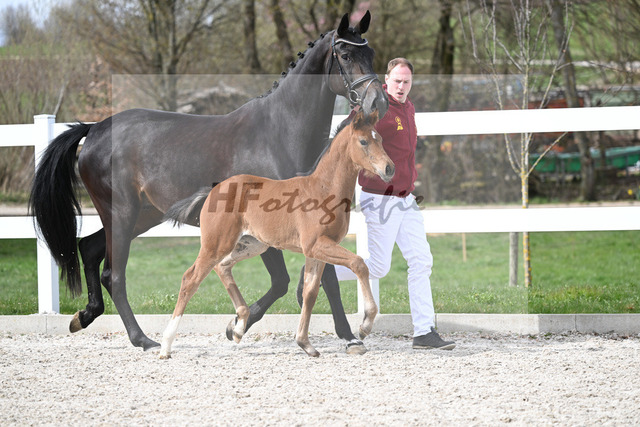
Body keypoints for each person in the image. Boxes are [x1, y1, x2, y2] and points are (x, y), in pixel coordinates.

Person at [302, 58, 455, 350]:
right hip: (380, 198)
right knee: (380, 267)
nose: (401, 86)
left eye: (406, 81)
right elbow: (348, 134)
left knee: (421, 261)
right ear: (387, 80)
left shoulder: (408, 108)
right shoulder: (375, 107)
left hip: (406, 198)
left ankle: (424, 332)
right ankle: (322, 271)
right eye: (397, 81)